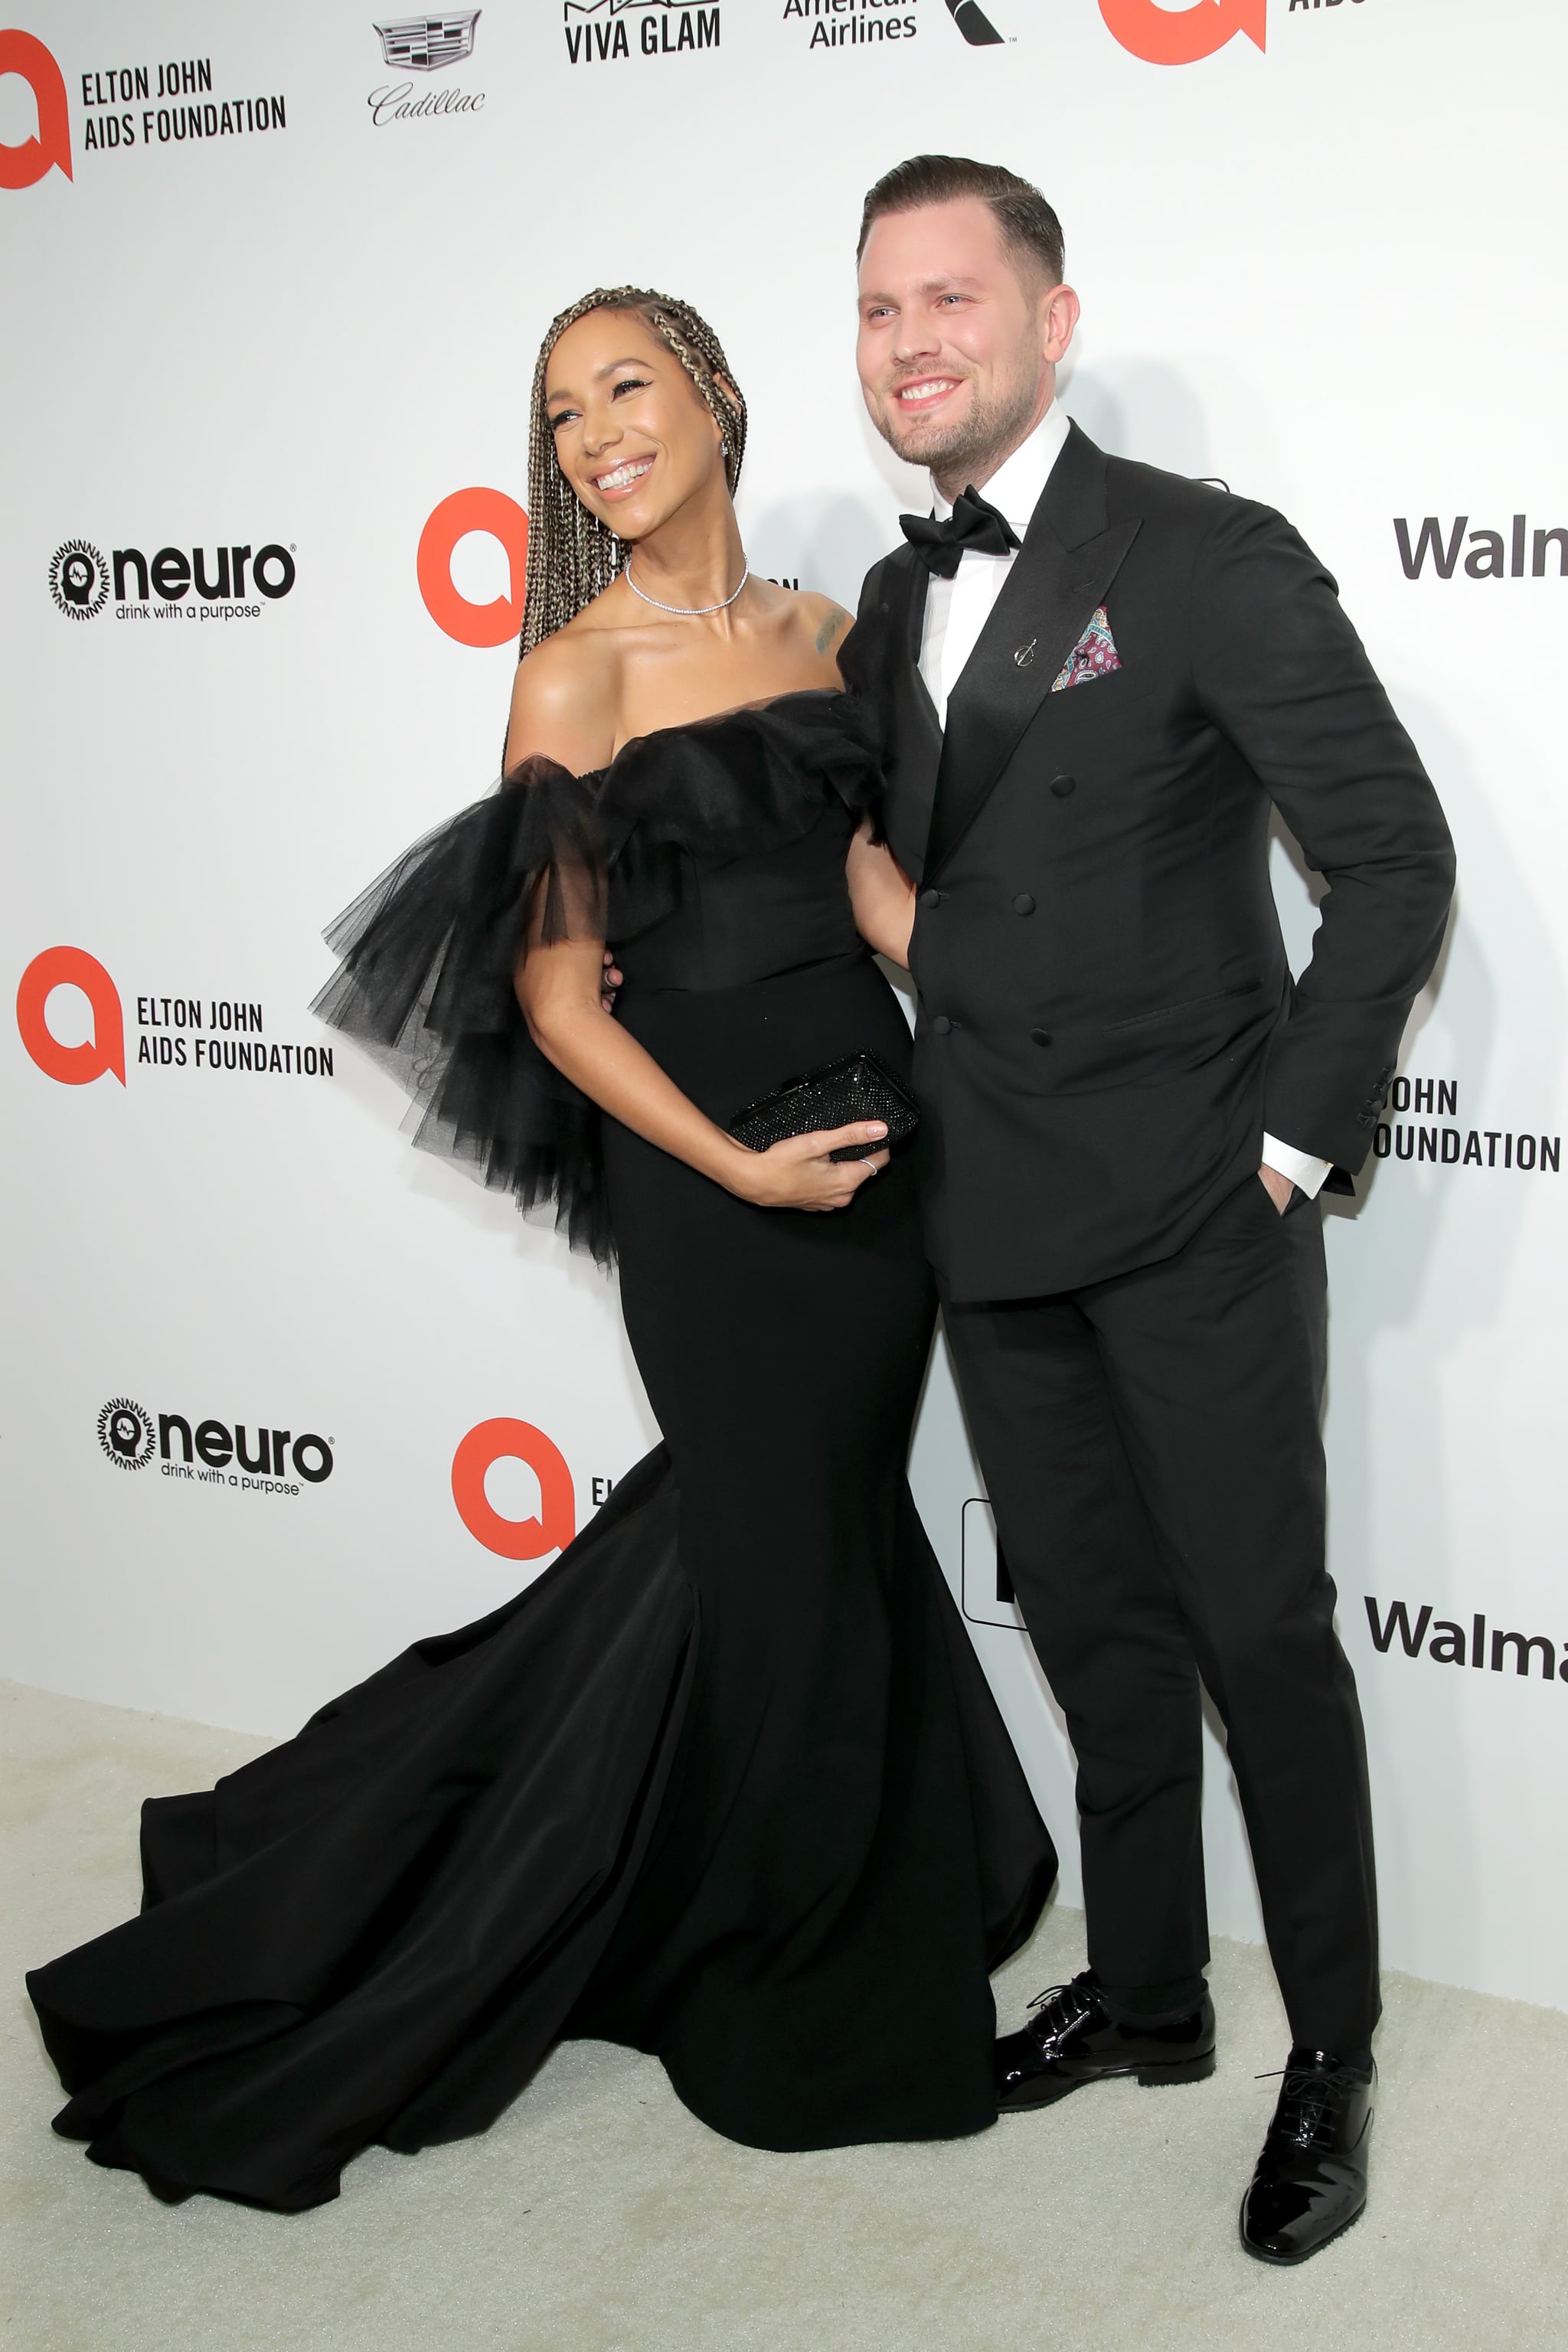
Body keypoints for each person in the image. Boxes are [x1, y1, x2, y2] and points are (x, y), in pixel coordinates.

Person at [25, 286, 1055, 2213]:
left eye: (628, 390)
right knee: (776, 1565)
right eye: (566, 413)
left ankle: (805, 1892)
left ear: (717, 396)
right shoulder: (572, 675)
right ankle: (781, 1982)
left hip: (879, 1164)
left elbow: (858, 884)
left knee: (802, 1548)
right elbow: (565, 1004)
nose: (598, 438)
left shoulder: (821, 635)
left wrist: (1035, 998)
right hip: (716, 1198)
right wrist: (742, 1181)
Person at [845, 156, 1455, 2265]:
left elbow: (1392, 861)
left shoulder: (1203, 559)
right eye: (878, 311)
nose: (912, 341)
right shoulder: (882, 610)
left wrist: (1292, 1145)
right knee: (1095, 1635)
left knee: (1260, 1645)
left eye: (950, 298)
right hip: (992, 1217)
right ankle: (1153, 1991)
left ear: (1048, 317)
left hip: (1198, 1210)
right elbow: (914, 890)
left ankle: (1335, 2051)